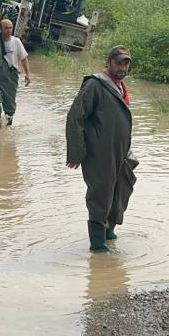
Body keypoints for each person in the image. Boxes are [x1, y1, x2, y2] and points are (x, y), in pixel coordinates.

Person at [66, 46, 138, 253]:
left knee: (122, 188)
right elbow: (75, 117)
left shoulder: (121, 87)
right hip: (99, 153)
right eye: (119, 63)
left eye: (126, 64)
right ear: (108, 62)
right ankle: (97, 243)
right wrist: (76, 152)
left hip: (120, 152)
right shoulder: (94, 85)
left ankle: (109, 230)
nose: (123, 67)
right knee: (101, 193)